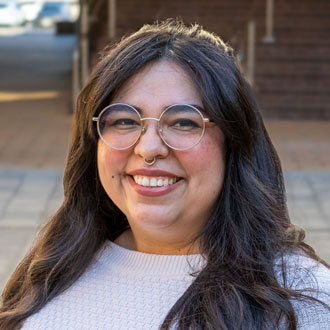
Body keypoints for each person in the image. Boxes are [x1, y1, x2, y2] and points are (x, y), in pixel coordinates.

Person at [1, 19, 330, 330]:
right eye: (124, 121)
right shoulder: (49, 272)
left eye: (184, 122)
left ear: (234, 141)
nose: (148, 149)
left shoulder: (306, 302)